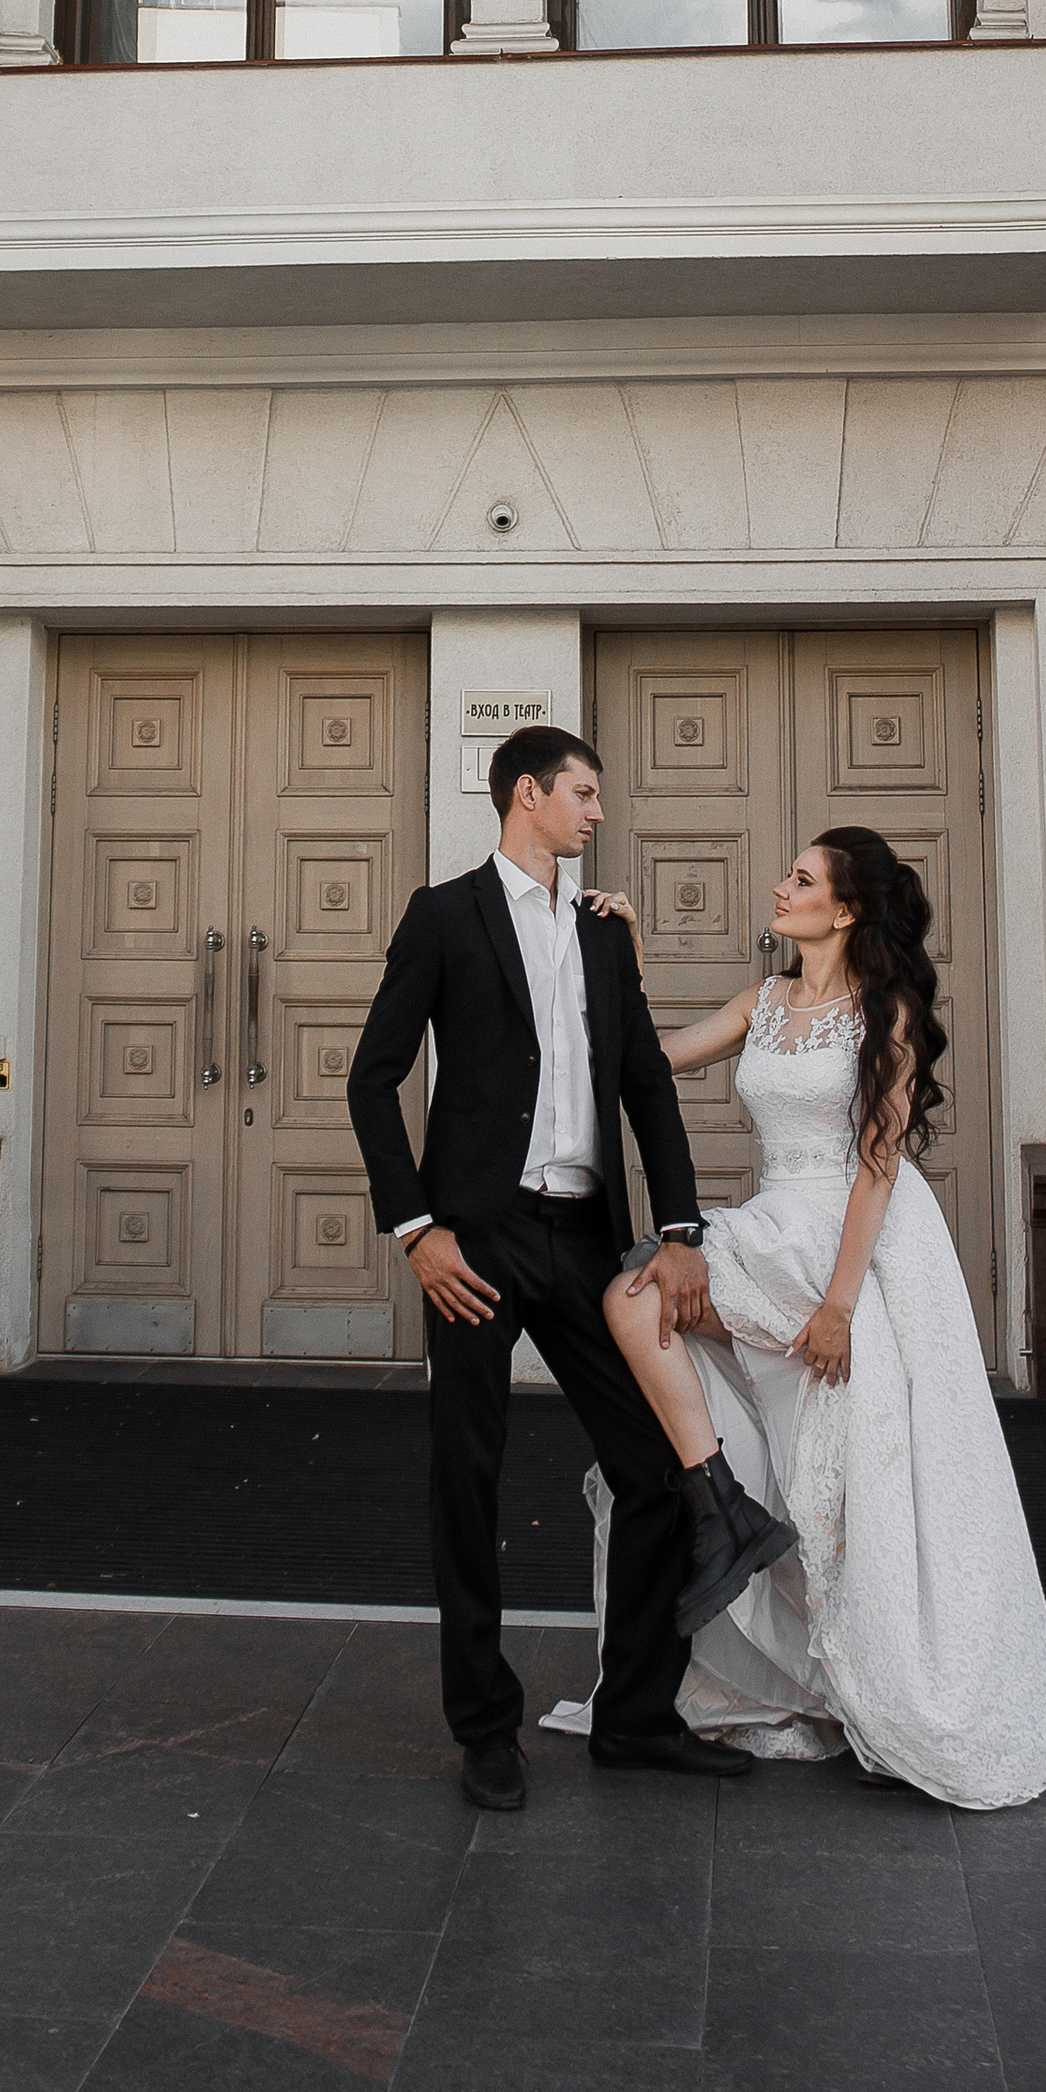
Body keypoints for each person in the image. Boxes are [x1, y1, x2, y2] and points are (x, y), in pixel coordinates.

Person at [568, 826, 1046, 1809]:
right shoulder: (764, 1002)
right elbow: (649, 1062)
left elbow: (877, 1166)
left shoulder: (889, 1014)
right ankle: (721, 1503)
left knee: (846, 1473)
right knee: (643, 1302)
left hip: (851, 1243)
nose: (780, 887)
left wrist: (840, 1305)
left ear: (842, 911)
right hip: (772, 1223)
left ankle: (848, 1647)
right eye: (787, 873)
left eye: (800, 879)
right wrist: (619, 963)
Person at [345, 723, 758, 1812]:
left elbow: (646, 1091)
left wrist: (678, 1232)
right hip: (473, 1245)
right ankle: (483, 1726)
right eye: (582, 793)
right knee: (466, 1481)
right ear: (526, 795)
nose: (598, 812)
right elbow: (369, 1079)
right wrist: (416, 1230)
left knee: (660, 1468)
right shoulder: (443, 917)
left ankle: (633, 1717)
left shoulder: (602, 932)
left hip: (583, 1239)